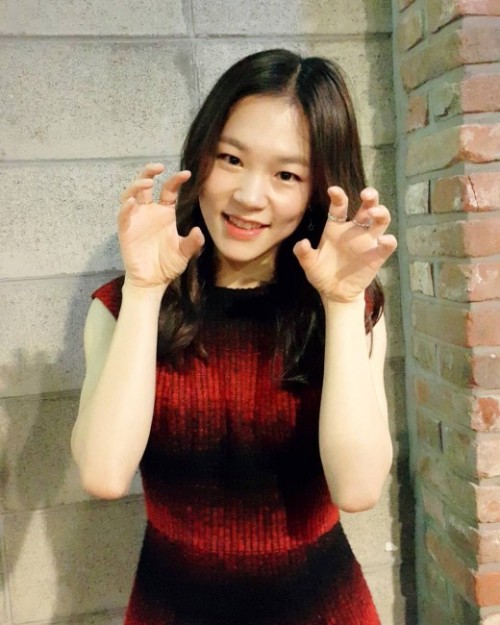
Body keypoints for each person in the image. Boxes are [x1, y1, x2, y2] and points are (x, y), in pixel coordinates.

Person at [71, 48, 397, 625]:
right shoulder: (124, 305)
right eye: (231, 158)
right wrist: (146, 289)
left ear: (320, 188)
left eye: (286, 175)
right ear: (201, 155)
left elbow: (358, 489)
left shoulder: (349, 305)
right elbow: (103, 473)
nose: (249, 196)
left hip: (323, 609)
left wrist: (343, 303)